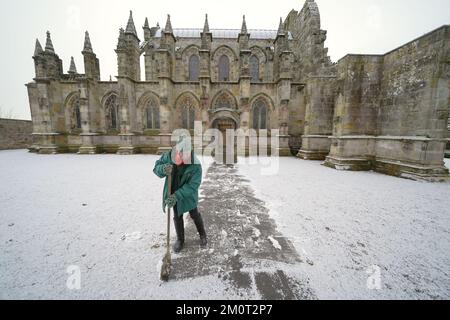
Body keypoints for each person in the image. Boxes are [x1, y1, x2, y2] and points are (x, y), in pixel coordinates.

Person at [153, 138, 207, 253]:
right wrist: (163, 169)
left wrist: (177, 196)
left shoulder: (195, 165)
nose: (178, 156)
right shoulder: (170, 155)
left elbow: (193, 185)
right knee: (177, 216)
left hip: (188, 195)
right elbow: (156, 166)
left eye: (181, 155)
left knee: (194, 214)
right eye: (177, 153)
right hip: (173, 191)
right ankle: (180, 240)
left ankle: (203, 235)